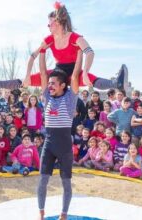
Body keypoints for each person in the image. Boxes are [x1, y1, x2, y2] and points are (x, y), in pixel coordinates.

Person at [0, 3, 128, 93]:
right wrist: (28, 73)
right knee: (28, 80)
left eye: (50, 24)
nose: (48, 26)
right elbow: (33, 56)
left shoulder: (75, 37)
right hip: (58, 71)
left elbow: (90, 53)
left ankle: (116, 83)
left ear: (58, 23)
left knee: (90, 78)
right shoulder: (49, 39)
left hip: (74, 71)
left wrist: (85, 72)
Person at [37, 14, 81, 216]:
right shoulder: (46, 96)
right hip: (48, 144)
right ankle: (41, 212)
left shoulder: (69, 98)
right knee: (42, 180)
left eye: (55, 84)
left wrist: (80, 53)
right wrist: (42, 51)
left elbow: (75, 76)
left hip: (64, 146)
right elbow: (44, 75)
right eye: (50, 84)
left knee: (66, 183)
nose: (51, 86)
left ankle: (64, 213)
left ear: (63, 85)